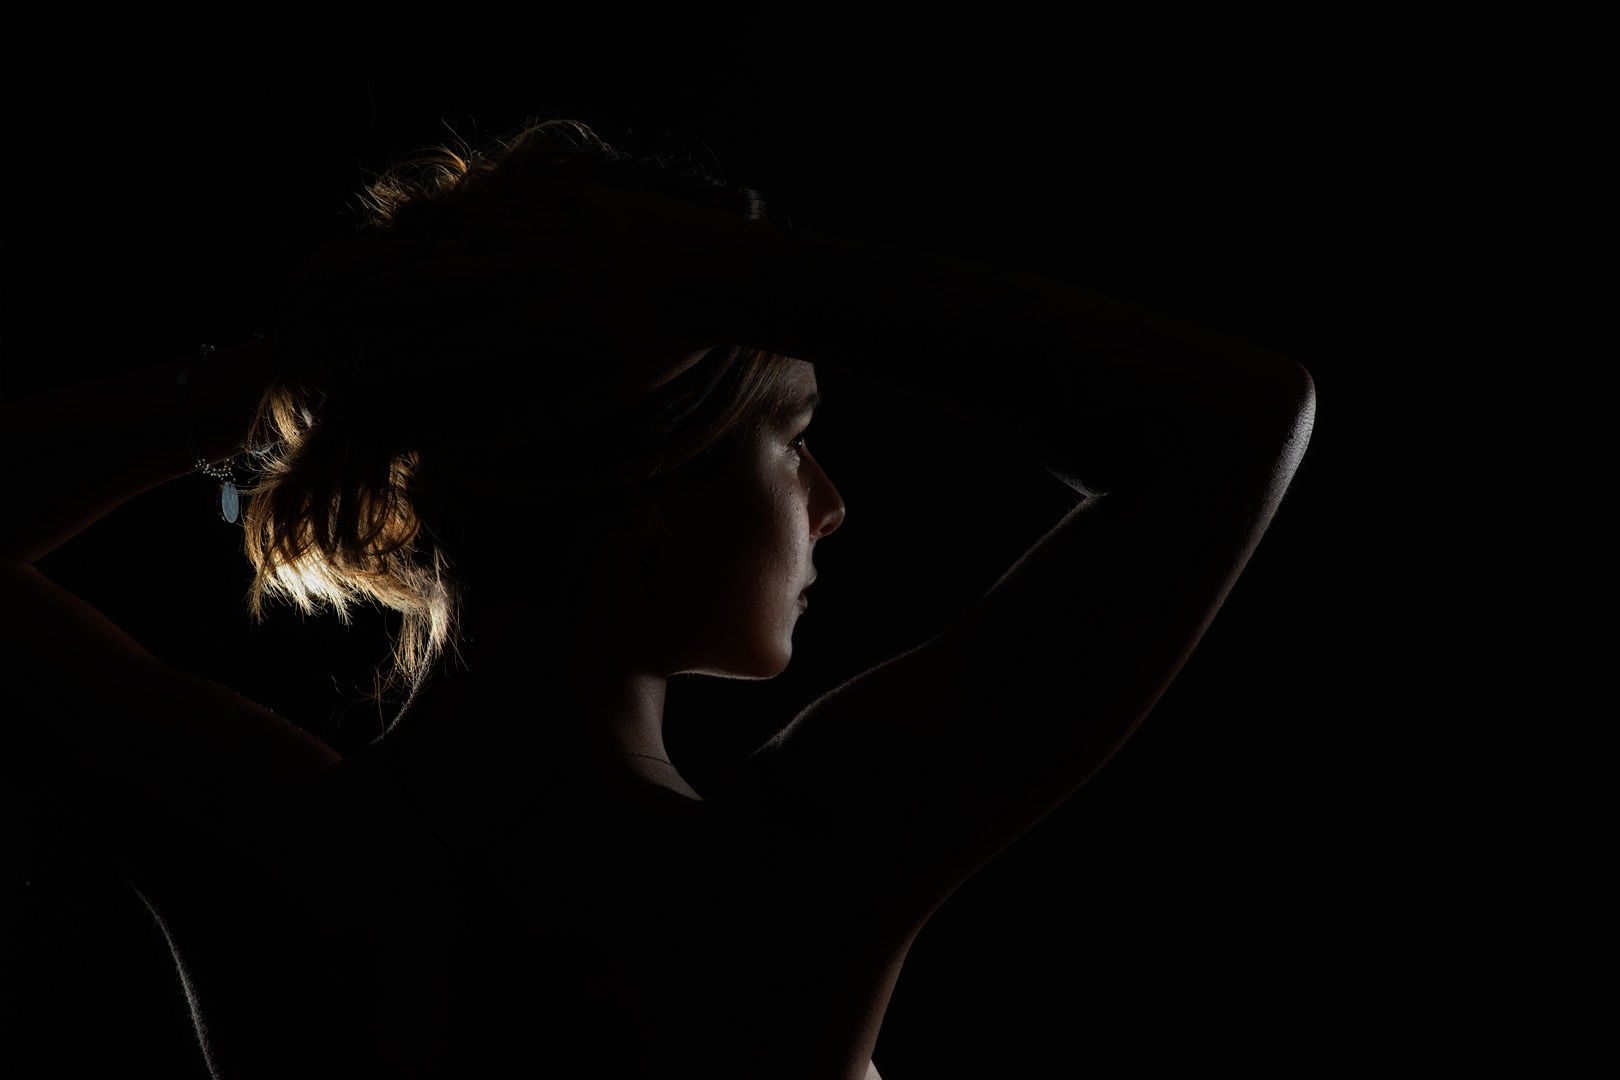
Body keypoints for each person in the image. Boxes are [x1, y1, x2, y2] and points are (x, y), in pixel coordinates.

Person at [0, 118, 1315, 1079]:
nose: (830, 504)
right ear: (645, 488)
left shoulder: (265, 840)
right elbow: (1237, 423)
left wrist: (313, 363)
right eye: (790, 439)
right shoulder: (785, 885)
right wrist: (724, 272)